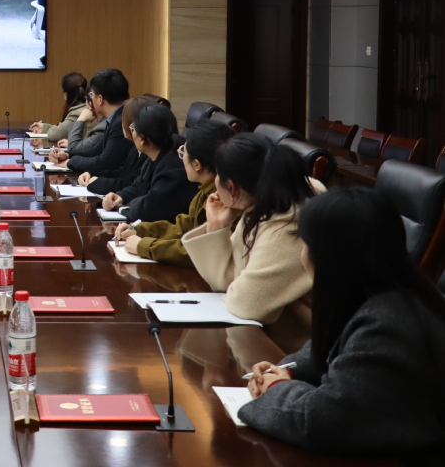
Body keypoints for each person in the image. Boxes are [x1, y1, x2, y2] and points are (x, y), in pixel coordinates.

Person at [239, 188, 445, 464]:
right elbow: (336, 347)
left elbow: (321, 422)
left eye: (306, 245)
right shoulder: (387, 292)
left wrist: (276, 389)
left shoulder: (388, 327)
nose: (302, 255)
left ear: (330, 258)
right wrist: (288, 370)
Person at [182, 133, 323, 324]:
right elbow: (227, 280)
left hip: (301, 334)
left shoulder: (284, 229)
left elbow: (245, 303)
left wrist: (234, 290)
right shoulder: (264, 201)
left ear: (232, 187)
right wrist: (217, 226)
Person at [112, 120, 234, 266]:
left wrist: (145, 246)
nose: (181, 158)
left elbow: (197, 251)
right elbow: (181, 228)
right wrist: (140, 230)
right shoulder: (204, 191)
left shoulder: (225, 200)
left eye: (183, 153)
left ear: (196, 165)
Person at [102, 103, 198, 223]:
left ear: (142, 139)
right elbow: (139, 185)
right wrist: (120, 196)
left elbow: (149, 209)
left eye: (133, 128)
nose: (131, 132)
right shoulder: (158, 152)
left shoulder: (174, 166)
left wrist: (122, 207)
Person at [52, 68, 133, 178]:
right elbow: (97, 150)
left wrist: (71, 162)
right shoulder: (116, 117)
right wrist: (67, 155)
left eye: (91, 94)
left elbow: (104, 163)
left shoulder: (121, 122)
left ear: (100, 99)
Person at [30, 72, 87, 143]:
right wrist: (44, 127)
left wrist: (45, 129)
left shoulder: (77, 113)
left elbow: (55, 134)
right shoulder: (84, 108)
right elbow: (64, 130)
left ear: (65, 94)